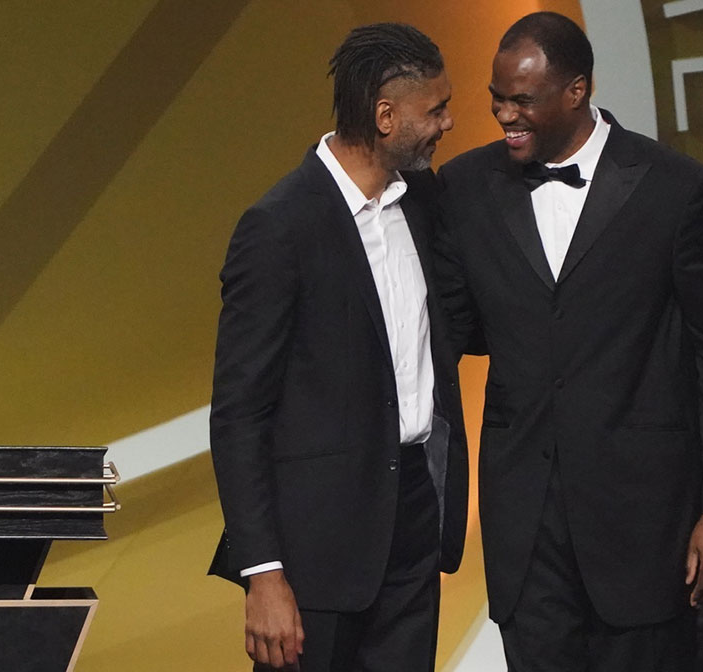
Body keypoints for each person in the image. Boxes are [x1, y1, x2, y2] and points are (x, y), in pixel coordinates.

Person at [435, 12, 703, 671]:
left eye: (521, 100)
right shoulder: (465, 187)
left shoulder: (676, 190)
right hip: (525, 526)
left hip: (644, 524)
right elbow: (451, 327)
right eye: (496, 98)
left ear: (576, 91)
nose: (503, 114)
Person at [208, 23, 466, 672]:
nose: (448, 123)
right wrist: (263, 572)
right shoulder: (280, 226)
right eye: (434, 109)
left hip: (412, 516)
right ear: (386, 116)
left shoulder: (423, 201)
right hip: (311, 548)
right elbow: (239, 413)